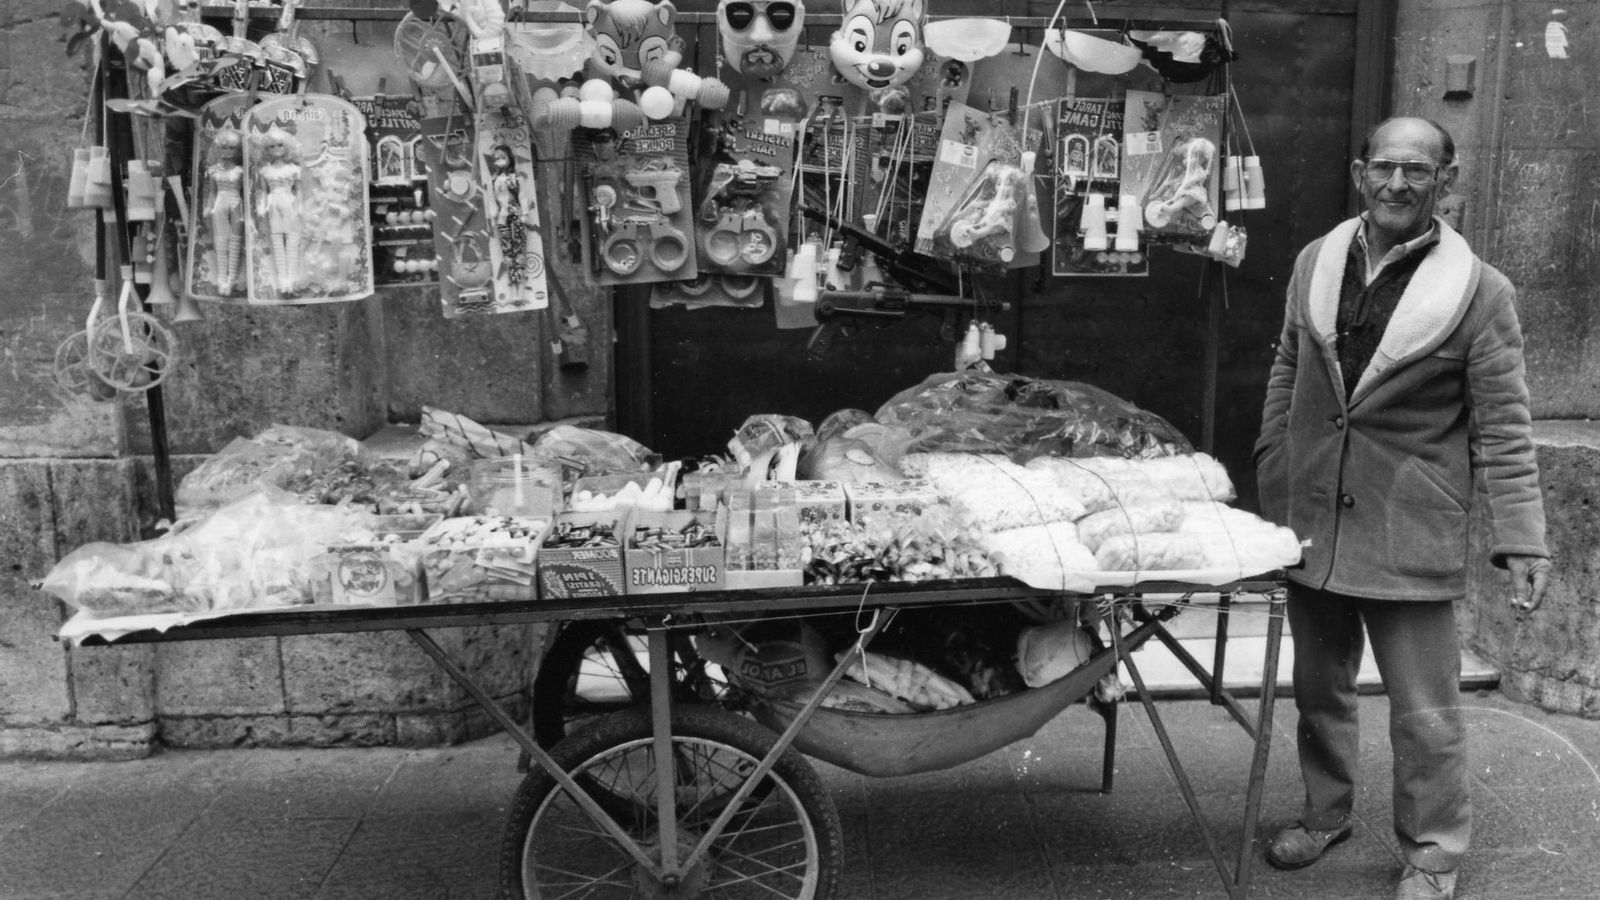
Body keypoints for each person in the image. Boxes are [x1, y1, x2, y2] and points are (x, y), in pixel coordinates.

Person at [1254, 117, 1552, 900]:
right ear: (1360, 172)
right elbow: (1288, 363)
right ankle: (1326, 814)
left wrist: (1525, 538)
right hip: (1315, 517)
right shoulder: (1315, 261)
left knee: (1426, 711)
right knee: (1319, 689)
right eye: (1384, 167)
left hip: (1409, 522)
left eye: (1417, 171)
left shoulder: (1482, 293)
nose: (1397, 184)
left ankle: (1434, 851)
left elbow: (1504, 425)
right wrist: (1275, 463)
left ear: (1445, 181)